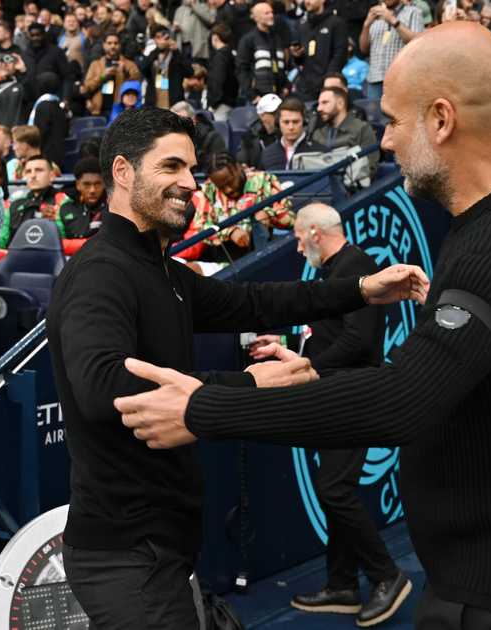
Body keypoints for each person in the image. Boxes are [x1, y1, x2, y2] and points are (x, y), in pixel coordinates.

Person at [114, 22, 491, 630]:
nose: (386, 143)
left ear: (442, 120)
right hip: (480, 586)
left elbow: (405, 397)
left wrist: (205, 410)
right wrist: (298, 383)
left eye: (395, 122)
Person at [46, 106, 427, 629]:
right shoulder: (100, 274)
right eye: (172, 167)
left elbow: (255, 301)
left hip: (162, 545)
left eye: (192, 170)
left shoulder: (164, 271)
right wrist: (245, 385)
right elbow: (101, 388)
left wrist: (361, 288)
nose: (190, 184)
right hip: (125, 556)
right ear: (122, 172)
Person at [247, 203, 410, 625]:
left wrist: (306, 370)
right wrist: (284, 349)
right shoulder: (335, 272)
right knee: (336, 489)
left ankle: (387, 575)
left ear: (316, 233)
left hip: (353, 397)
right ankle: (341, 584)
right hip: (335, 395)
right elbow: (328, 337)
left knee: (334, 489)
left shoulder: (359, 269)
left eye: (299, 239)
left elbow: (358, 341)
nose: (298, 248)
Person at [180, 152, 293, 262]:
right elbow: (202, 226)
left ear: (238, 167)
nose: (228, 189)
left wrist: (267, 214)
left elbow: (287, 211)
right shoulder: (209, 189)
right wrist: (230, 232)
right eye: (221, 187)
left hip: (262, 250)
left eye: (230, 182)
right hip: (224, 256)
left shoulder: (263, 180)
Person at [0, 155, 70, 247]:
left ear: (51, 176)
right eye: (28, 171)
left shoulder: (63, 201)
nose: (33, 175)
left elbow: (65, 242)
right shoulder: (14, 203)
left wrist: (52, 223)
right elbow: (0, 242)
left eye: (39, 170)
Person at [360, 0, 424, 100]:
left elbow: (416, 43)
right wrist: (366, 25)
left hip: (400, 79)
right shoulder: (375, 14)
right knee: (374, 115)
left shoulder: (413, 12)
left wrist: (392, 20)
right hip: (375, 79)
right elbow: (363, 49)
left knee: (398, 115)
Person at [310, 86, 378, 173]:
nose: (319, 108)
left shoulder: (362, 129)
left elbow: (371, 166)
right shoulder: (318, 133)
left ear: (340, 103)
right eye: (319, 104)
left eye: (325, 103)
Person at [291, 0, 349, 101]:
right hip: (306, 86)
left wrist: (329, 77)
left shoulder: (336, 23)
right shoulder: (301, 25)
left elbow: (340, 54)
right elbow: (300, 60)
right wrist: (297, 55)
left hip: (328, 84)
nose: (307, 2)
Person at [236, 2, 288, 104]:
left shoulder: (277, 38)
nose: (271, 15)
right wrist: (253, 96)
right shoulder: (248, 40)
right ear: (256, 18)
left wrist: (286, 87)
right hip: (258, 97)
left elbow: (284, 66)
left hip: (278, 97)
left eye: (271, 12)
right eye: (266, 13)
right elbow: (241, 69)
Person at [82, 33, 143, 118]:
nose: (113, 46)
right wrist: (103, 76)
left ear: (120, 45)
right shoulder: (95, 64)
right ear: (104, 45)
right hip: (98, 110)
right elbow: (87, 87)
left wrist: (124, 71)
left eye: (116, 43)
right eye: (109, 43)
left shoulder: (129, 64)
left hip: (122, 110)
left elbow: (137, 84)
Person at [140, 26, 192, 110]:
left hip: (174, 104)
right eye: (158, 37)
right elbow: (143, 68)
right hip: (154, 103)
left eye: (165, 37)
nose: (162, 40)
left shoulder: (176, 55)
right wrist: (157, 49)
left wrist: (176, 51)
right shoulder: (152, 55)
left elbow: (189, 72)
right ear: (154, 40)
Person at [260, 96, 318, 170]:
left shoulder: (319, 153)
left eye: (295, 122)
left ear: (304, 122)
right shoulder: (267, 154)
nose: (291, 127)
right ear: (278, 123)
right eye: (286, 122)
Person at [169, 101, 226, 172]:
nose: (177, 125)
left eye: (182, 121)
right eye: (173, 122)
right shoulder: (169, 139)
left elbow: (219, 169)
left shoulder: (212, 137)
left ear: (194, 121)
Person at [61, 155, 108, 239]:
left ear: (104, 184)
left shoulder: (114, 210)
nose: (92, 190)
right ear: (78, 185)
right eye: (87, 184)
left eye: (97, 184)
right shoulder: (65, 207)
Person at [0, 52, 30, 128]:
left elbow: (30, 95)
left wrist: (23, 70)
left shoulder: (21, 84)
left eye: (9, 61)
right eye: (1, 62)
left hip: (15, 131)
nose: (5, 64)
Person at [29, 72, 69, 168]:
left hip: (46, 155)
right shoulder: (58, 105)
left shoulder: (43, 105)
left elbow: (39, 132)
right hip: (58, 152)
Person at [238, 92, 281, 167]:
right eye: (274, 113)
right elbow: (242, 164)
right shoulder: (250, 138)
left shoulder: (286, 133)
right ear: (262, 115)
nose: (278, 116)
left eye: (280, 112)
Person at [206, 23, 238, 122]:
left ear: (215, 37)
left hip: (220, 105)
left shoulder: (220, 57)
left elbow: (217, 80)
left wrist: (214, 102)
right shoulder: (230, 54)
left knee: (219, 133)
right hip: (229, 101)